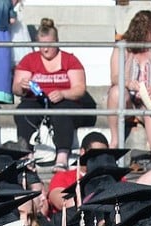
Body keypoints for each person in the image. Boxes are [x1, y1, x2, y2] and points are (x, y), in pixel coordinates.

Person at [12, 18, 97, 171]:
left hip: (65, 101)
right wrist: (22, 86)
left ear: (56, 41)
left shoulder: (70, 60)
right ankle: (26, 154)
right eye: (42, 45)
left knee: (61, 112)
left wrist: (63, 93)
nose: (45, 49)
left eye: (49, 45)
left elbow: (79, 89)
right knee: (24, 111)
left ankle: (62, 155)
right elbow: (16, 89)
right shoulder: (29, 60)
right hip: (36, 100)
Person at [107, 10, 151, 167]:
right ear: (143, 29)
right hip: (128, 97)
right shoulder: (123, 47)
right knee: (116, 91)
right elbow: (114, 77)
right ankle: (114, 141)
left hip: (150, 97)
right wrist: (127, 83)